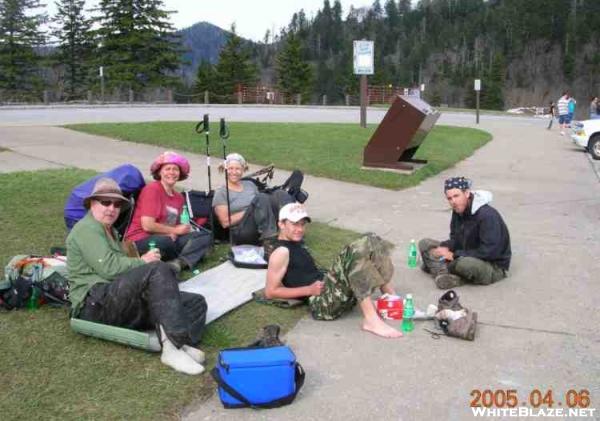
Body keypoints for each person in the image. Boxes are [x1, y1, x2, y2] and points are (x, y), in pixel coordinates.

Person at [67, 178, 208, 375]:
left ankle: (178, 342)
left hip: (116, 299)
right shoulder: (87, 228)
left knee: (195, 302)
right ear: (92, 203)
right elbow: (108, 267)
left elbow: (123, 269)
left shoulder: (110, 231)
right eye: (105, 202)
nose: (111, 208)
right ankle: (171, 347)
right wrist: (143, 262)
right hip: (93, 303)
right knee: (158, 268)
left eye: (116, 204)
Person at [265, 203, 402, 338]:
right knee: (354, 253)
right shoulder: (281, 252)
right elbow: (271, 291)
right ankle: (371, 321)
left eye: (302, 224)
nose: (300, 229)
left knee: (372, 239)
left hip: (328, 289)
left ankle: (391, 299)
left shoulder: (296, 243)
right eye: (295, 224)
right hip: (321, 304)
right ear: (281, 224)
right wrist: (308, 290)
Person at [125, 151, 211, 273]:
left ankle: (177, 264)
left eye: (175, 169)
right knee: (165, 242)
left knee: (204, 236)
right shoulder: (152, 190)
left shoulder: (178, 197)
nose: (171, 172)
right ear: (159, 172)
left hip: (169, 238)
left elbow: (178, 225)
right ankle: (189, 255)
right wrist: (175, 231)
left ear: (180, 173)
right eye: (167, 169)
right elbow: (147, 225)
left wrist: (182, 229)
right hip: (142, 239)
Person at [418, 177, 511, 289]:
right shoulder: (458, 210)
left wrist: (454, 255)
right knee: (425, 244)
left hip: (491, 266)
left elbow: (489, 252)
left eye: (456, 196)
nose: (453, 202)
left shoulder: (487, 215)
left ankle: (449, 274)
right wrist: (445, 247)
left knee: (465, 264)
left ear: (467, 193)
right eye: (449, 198)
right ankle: (443, 272)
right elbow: (455, 238)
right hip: (465, 253)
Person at [213, 153, 293, 248]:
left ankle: (291, 231)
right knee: (261, 197)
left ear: (243, 170)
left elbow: (262, 205)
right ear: (225, 170)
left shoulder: (249, 185)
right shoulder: (221, 192)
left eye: (237, 169)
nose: (234, 172)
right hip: (241, 232)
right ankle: (270, 241)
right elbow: (225, 222)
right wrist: (251, 209)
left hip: (259, 224)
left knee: (280, 194)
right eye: (230, 168)